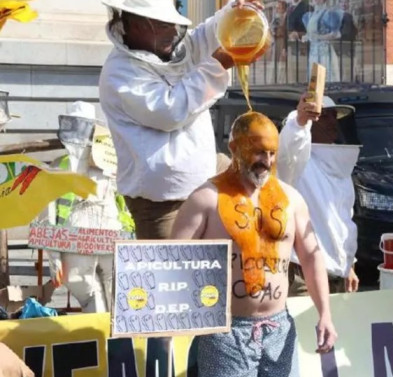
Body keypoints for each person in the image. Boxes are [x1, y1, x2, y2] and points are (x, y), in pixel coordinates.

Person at [171, 111, 337, 376]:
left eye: (272, 153)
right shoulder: (206, 199)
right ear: (234, 147)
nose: (267, 161)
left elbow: (311, 257)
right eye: (258, 152)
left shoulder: (291, 199)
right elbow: (172, 262)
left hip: (278, 329)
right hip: (224, 333)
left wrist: (325, 314)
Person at [98, 0, 262, 240]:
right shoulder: (120, 73)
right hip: (162, 205)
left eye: (173, 24)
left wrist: (234, 12)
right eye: (163, 25)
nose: (173, 32)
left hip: (206, 184)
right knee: (169, 273)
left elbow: (204, 37)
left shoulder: (175, 48)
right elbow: (172, 110)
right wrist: (218, 65)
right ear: (134, 23)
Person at [45, 101, 135, 313]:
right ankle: (110, 340)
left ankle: (107, 338)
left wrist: (54, 256)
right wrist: (54, 255)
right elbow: (47, 212)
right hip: (85, 236)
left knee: (106, 295)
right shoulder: (64, 165)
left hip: (96, 234)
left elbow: (124, 203)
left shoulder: (107, 162)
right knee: (103, 294)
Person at [278, 94, 360, 295]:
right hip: (302, 270)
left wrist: (349, 264)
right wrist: (300, 120)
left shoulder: (340, 165)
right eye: (324, 116)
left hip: (339, 274)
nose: (332, 122)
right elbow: (289, 148)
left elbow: (343, 220)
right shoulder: (297, 163)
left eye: (333, 116)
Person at [302, 0, 344, 83]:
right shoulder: (309, 15)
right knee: (314, 80)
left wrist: (318, 37)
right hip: (313, 52)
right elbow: (310, 33)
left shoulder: (329, 14)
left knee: (326, 78)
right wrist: (306, 37)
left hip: (325, 52)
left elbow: (336, 34)